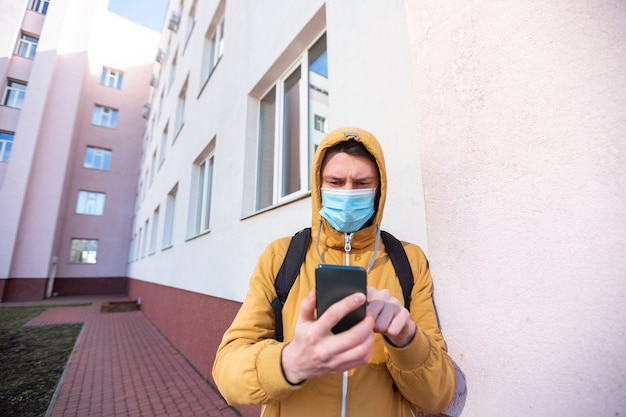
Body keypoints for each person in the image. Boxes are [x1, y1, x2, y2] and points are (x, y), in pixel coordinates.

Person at [212, 127, 457, 416]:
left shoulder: (409, 260)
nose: (348, 192)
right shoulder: (281, 257)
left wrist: (407, 339)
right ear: (319, 187)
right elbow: (226, 372)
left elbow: (438, 395)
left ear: (379, 191)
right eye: (335, 182)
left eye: (362, 183)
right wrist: (288, 363)